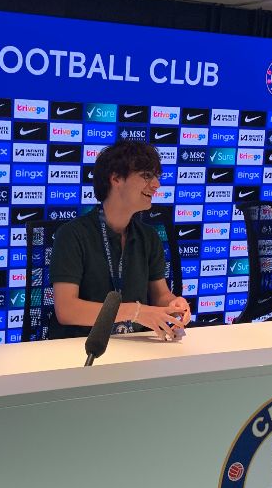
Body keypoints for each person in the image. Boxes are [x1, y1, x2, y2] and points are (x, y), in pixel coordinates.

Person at [49, 140, 191, 340]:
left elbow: (160, 294)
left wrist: (174, 304)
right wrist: (135, 312)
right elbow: (66, 310)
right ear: (116, 178)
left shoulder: (149, 236)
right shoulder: (72, 235)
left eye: (156, 177)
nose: (156, 185)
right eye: (146, 176)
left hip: (136, 345)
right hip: (83, 348)